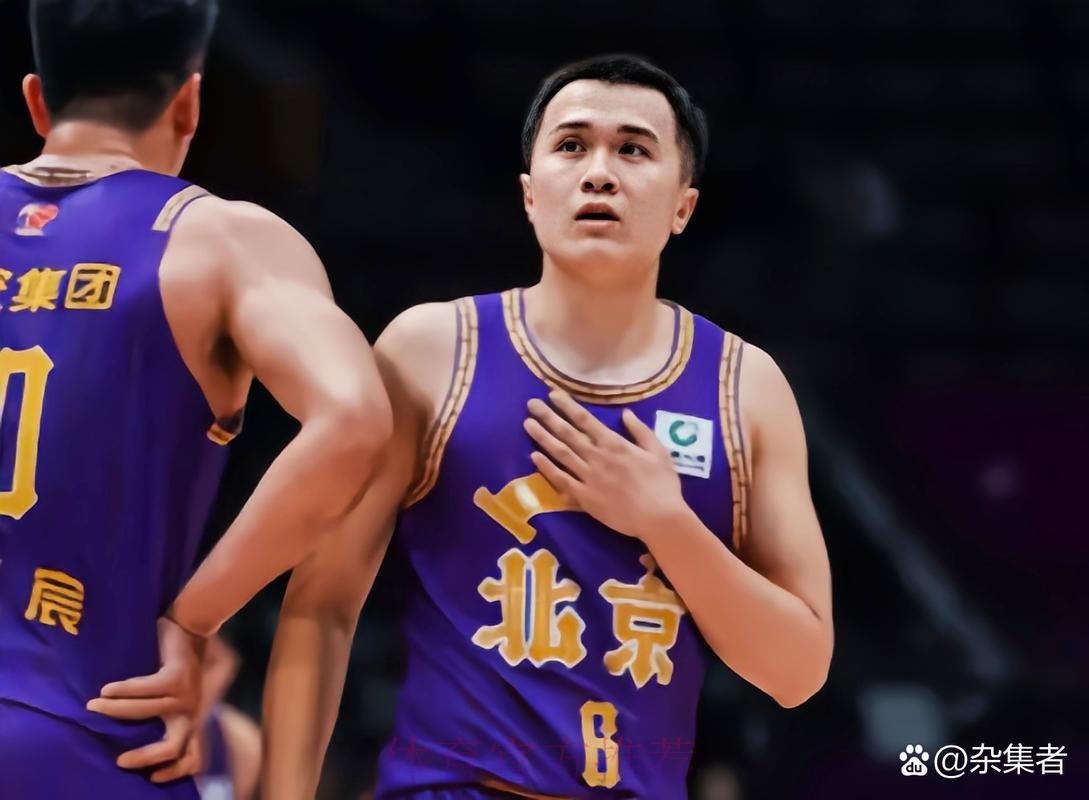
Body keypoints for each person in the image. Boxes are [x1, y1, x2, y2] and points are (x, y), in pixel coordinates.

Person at [262, 54, 833, 799]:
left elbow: (798, 672)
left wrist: (665, 522)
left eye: (633, 149)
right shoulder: (431, 351)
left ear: (682, 206)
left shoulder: (745, 388)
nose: (599, 173)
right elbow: (322, 606)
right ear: (530, 195)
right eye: (571, 145)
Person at [0, 1, 391, 797]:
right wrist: (194, 618)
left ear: (36, 100)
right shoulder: (220, 240)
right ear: (189, 103)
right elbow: (353, 418)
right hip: (87, 737)